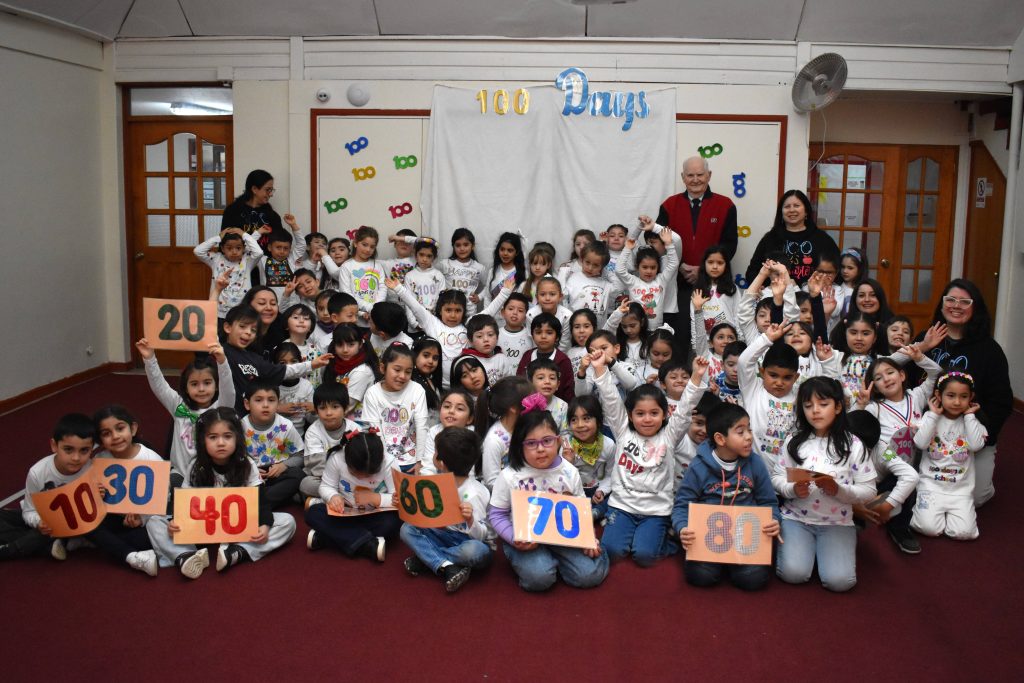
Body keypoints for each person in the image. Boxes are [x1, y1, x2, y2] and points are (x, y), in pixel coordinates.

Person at [591, 349, 709, 567]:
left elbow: (685, 409)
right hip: (622, 506)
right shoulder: (622, 431)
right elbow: (610, 399)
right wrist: (599, 368)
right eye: (640, 413)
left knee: (644, 557)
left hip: (656, 510)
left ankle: (667, 539)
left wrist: (696, 376)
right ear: (630, 415)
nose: (647, 419)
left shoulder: (670, 435)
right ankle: (631, 533)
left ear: (664, 415)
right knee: (613, 552)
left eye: (654, 413)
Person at [146, 408, 297, 578]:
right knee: (154, 521)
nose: (220, 443)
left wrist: (264, 525)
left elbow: (260, 501)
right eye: (213, 437)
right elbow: (185, 502)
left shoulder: (246, 464)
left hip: (239, 528)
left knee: (287, 522)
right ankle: (187, 556)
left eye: (227, 436)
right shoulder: (196, 466)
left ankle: (237, 552)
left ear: (237, 438)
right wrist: (176, 521)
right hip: (202, 529)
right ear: (202, 440)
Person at [486, 400, 609, 592]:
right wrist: (513, 538)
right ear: (519, 446)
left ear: (558, 441)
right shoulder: (510, 475)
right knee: (539, 579)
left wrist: (589, 538)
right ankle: (544, 563)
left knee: (589, 575)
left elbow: (580, 509)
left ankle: (557, 561)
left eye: (547, 441)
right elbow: (496, 515)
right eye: (531, 443)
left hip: (563, 535)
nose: (541, 449)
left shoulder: (569, 471)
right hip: (525, 538)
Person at [773, 378, 876, 592]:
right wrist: (792, 489)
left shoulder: (853, 444)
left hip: (837, 522)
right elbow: (777, 477)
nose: (815, 411)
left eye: (823, 404)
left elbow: (869, 491)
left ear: (838, 407)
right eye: (808, 405)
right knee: (793, 574)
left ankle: (826, 551)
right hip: (796, 518)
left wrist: (839, 490)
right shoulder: (794, 441)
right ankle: (811, 552)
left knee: (840, 582)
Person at [918, 279, 1011, 508]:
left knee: (975, 498)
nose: (956, 306)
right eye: (950, 299)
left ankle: (983, 480)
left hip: (969, 433)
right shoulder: (925, 338)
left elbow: (1002, 402)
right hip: (929, 429)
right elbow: (898, 375)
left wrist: (981, 436)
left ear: (975, 308)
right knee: (911, 485)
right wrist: (923, 347)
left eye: (964, 302)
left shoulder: (990, 350)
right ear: (942, 305)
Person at [673, 403, 781, 590]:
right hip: (709, 538)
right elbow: (682, 505)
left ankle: (735, 567)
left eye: (749, 429)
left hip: (745, 538)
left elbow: (768, 502)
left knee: (753, 579)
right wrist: (682, 528)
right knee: (701, 576)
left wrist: (773, 519)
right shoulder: (698, 467)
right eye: (740, 432)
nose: (749, 436)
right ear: (720, 439)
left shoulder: (755, 463)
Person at [652, 156, 739, 355]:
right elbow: (657, 242)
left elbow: (730, 245)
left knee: (714, 334)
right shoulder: (669, 205)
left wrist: (703, 269)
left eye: (700, 174)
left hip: (713, 283)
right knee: (680, 335)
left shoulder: (725, 205)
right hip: (678, 283)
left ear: (709, 175)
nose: (695, 179)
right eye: (690, 175)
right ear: (683, 177)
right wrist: (680, 265)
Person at [400, 427, 494, 592]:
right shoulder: (435, 482)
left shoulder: (475, 493)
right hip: (441, 534)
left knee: (476, 552)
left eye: (435, 451)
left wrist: (470, 519)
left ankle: (428, 558)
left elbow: (482, 536)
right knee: (406, 529)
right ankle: (447, 565)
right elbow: (424, 515)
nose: (434, 454)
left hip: (467, 541)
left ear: (441, 463)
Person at [0, 414, 95, 561]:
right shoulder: (37, 472)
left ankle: (10, 550)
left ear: (92, 449)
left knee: (48, 532)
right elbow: (29, 511)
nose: (76, 458)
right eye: (68, 449)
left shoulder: (93, 468)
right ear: (54, 446)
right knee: (38, 530)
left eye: (84, 450)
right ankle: (51, 545)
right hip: (44, 520)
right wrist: (39, 523)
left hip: (72, 524)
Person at [86, 406, 164, 576]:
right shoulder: (99, 460)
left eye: (120, 428)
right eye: (106, 433)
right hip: (113, 517)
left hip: (142, 522)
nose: (115, 436)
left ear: (133, 429)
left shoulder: (151, 458)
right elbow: (94, 499)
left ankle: (110, 545)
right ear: (100, 439)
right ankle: (130, 555)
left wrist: (142, 518)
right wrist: (96, 494)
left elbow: (163, 499)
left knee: (151, 537)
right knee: (86, 522)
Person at [911, 373, 987, 540]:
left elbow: (976, 446)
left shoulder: (972, 422)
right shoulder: (929, 418)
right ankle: (930, 513)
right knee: (927, 528)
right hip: (931, 486)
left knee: (964, 533)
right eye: (951, 396)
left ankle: (950, 517)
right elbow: (920, 443)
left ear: (971, 397)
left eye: (964, 396)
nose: (957, 402)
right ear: (939, 395)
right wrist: (933, 415)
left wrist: (969, 415)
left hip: (960, 490)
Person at [305, 429, 400, 562]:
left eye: (369, 474)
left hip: (374, 514)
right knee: (313, 513)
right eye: (355, 473)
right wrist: (333, 496)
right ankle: (367, 545)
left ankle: (328, 538)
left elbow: (399, 498)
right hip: (344, 513)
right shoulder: (337, 458)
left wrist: (376, 498)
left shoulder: (388, 462)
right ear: (347, 460)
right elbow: (326, 486)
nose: (362, 478)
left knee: (393, 522)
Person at [743, 190, 839, 287]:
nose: (791, 210)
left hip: (812, 294)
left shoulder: (822, 239)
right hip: (775, 294)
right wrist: (762, 288)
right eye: (787, 207)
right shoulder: (770, 238)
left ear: (806, 211)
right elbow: (752, 271)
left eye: (796, 206)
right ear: (781, 212)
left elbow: (837, 270)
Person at [361, 343, 429, 473]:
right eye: (397, 370)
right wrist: (385, 463)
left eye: (408, 372)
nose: (402, 376)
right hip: (382, 461)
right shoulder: (373, 393)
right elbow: (375, 431)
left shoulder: (417, 390)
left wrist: (421, 461)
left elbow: (422, 426)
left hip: (412, 461)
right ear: (383, 368)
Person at [241, 382, 305, 509]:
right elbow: (234, 458)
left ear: (278, 404)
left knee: (298, 475)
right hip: (251, 475)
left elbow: (300, 456)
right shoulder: (240, 426)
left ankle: (258, 505)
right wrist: (249, 469)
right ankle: (268, 502)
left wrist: (284, 465)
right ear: (247, 404)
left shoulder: (285, 426)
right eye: (258, 400)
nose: (265, 405)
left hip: (277, 472)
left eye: (271, 400)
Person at [195, 228, 264, 318]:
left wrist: (244, 234)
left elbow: (259, 252)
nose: (234, 252)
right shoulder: (216, 259)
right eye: (229, 248)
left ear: (243, 248)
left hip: (242, 311)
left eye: (238, 248)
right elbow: (198, 251)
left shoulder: (248, 260)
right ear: (222, 248)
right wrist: (218, 238)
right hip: (219, 312)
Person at [220, 169, 285, 251]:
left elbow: (281, 241)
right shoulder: (232, 211)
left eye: (271, 190)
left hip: (265, 259)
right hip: (239, 258)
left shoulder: (272, 215)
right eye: (268, 190)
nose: (271, 194)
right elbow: (224, 241)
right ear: (254, 189)